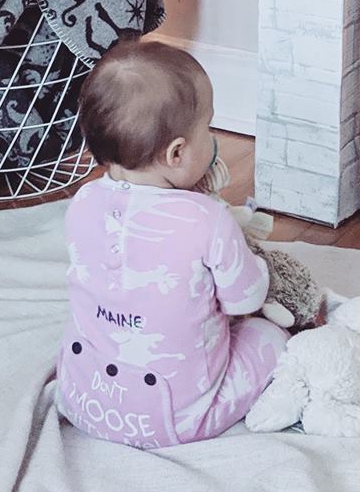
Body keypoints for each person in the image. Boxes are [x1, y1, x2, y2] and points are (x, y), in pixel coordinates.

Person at [55, 39, 288, 449]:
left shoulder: (82, 203)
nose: (212, 137)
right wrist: (257, 265)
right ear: (177, 152)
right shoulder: (207, 219)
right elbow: (247, 299)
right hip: (176, 418)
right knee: (270, 337)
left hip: (84, 399)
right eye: (208, 128)